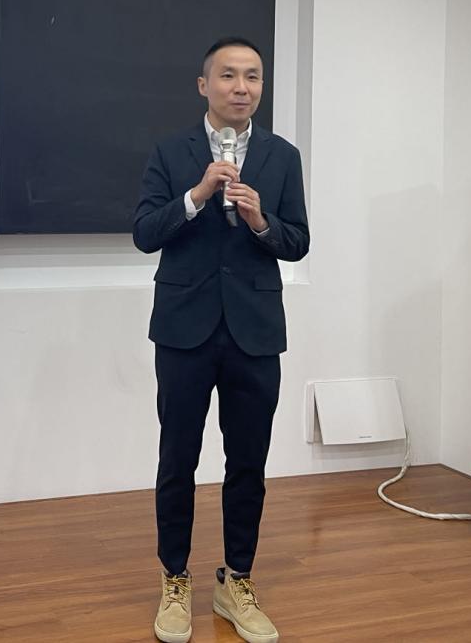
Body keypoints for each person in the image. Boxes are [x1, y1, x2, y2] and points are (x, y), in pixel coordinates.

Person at [133, 36, 310, 643]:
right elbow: (145, 233)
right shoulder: (170, 152)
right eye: (229, 75)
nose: (242, 87)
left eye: (253, 76)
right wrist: (197, 195)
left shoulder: (282, 157)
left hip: (254, 332)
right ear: (204, 85)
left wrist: (261, 220)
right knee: (177, 459)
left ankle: (237, 580)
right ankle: (174, 580)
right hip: (184, 329)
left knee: (249, 463)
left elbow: (297, 242)